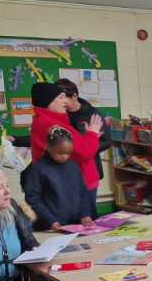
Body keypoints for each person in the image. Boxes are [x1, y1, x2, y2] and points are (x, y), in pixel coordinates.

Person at [29, 82, 103, 201]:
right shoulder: (52, 125)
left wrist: (89, 137)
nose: (65, 101)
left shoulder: (49, 121)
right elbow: (84, 152)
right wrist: (92, 134)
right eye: (60, 97)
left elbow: (72, 148)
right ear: (48, 101)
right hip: (74, 186)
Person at [20, 127, 94, 232]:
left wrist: (85, 214)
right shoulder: (37, 169)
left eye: (68, 153)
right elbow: (32, 199)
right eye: (60, 153)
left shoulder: (73, 166)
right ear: (48, 147)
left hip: (75, 224)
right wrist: (50, 220)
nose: (65, 156)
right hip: (50, 226)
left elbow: (83, 191)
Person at [55, 78, 111, 214]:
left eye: (64, 98)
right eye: (59, 98)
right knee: (71, 212)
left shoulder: (92, 114)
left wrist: (88, 146)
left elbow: (107, 141)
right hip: (66, 170)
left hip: (88, 170)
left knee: (88, 213)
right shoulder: (60, 114)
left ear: (74, 96)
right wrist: (16, 139)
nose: (62, 102)